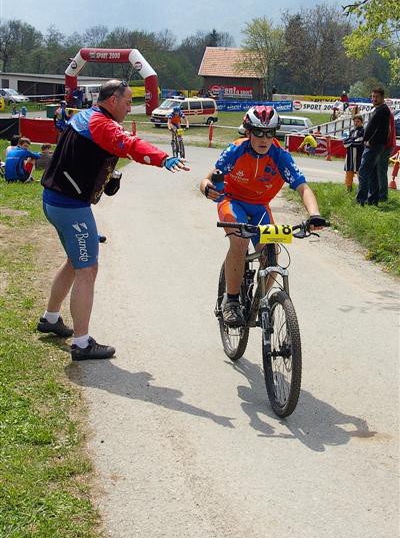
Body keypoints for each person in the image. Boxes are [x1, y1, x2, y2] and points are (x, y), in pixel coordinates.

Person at [37, 79, 189, 361]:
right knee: (87, 269)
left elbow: (86, 154)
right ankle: (81, 344)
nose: (131, 108)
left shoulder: (86, 115)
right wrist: (162, 158)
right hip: (70, 205)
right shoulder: (102, 124)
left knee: (74, 261)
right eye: (129, 102)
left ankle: (50, 318)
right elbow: (129, 144)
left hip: (55, 199)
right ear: (112, 101)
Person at [199, 105, 326, 327]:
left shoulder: (280, 156)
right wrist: (207, 187)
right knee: (240, 241)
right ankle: (231, 302)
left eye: (269, 133)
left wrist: (314, 215)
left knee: (272, 251)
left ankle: (258, 301)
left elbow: (303, 188)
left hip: (259, 207)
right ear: (248, 132)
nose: (264, 138)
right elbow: (207, 178)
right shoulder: (236, 150)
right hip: (232, 201)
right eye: (258, 132)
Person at [356, 87, 390, 207]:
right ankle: (373, 200)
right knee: (373, 173)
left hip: (374, 145)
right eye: (372, 96)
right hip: (376, 144)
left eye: (376, 97)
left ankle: (361, 200)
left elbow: (381, 130)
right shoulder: (379, 109)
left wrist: (370, 141)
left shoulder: (382, 110)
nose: (374, 99)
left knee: (363, 172)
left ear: (382, 97)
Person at [376, 109, 396, 202]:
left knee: (381, 170)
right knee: (380, 170)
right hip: (387, 145)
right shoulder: (386, 112)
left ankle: (383, 196)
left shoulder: (385, 112)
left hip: (385, 146)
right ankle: (379, 193)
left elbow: (388, 130)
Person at [343, 114, 364, 192]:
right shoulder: (351, 131)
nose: (356, 123)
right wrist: (352, 141)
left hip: (359, 155)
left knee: (360, 172)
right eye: (354, 121)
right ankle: (348, 188)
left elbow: (360, 142)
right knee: (349, 171)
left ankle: (362, 189)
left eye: (358, 121)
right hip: (349, 155)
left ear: (361, 122)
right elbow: (345, 142)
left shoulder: (363, 131)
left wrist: (351, 142)